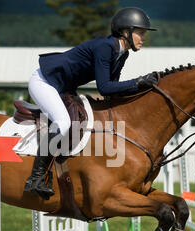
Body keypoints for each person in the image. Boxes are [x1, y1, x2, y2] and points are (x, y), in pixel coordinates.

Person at [24, 7, 159, 200]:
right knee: (63, 124)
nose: (143, 38)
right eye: (140, 33)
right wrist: (137, 82)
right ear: (126, 32)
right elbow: (104, 87)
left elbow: (114, 89)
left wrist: (141, 90)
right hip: (44, 82)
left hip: (64, 87)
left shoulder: (122, 53)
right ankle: (35, 178)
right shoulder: (105, 48)